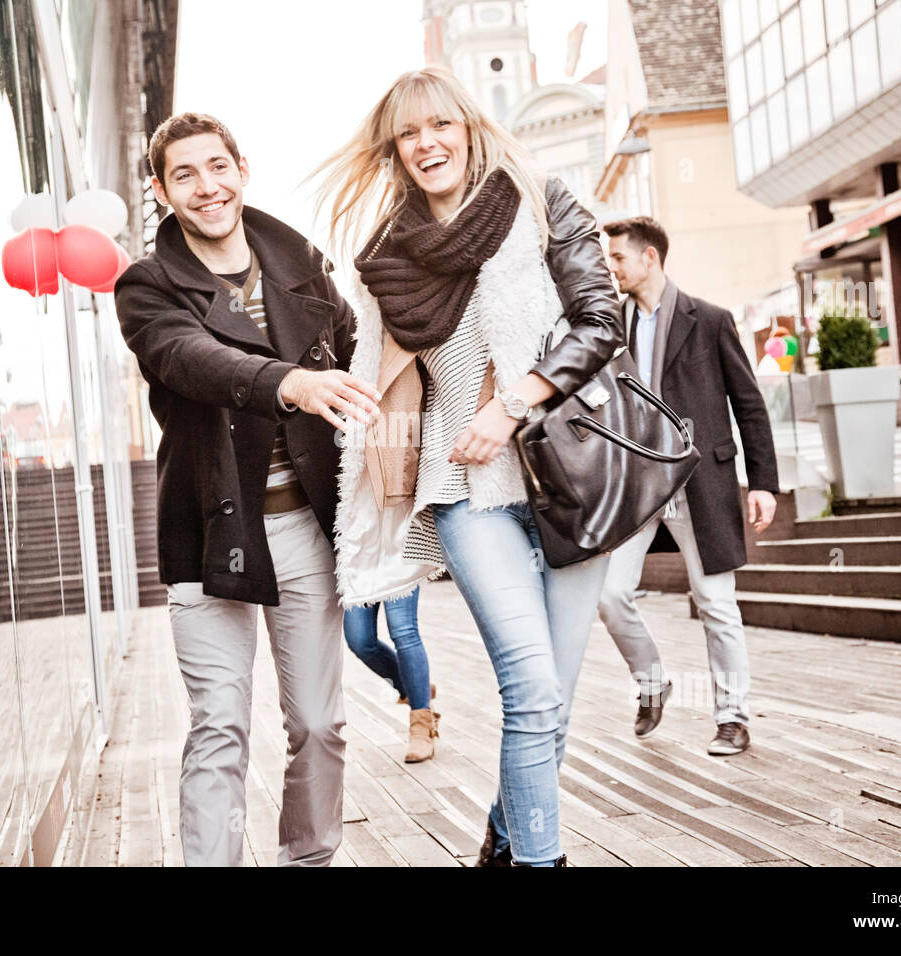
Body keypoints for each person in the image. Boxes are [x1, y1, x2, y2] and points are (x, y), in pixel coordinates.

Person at [314, 67, 624, 866]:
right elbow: (379, 373)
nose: (427, 144)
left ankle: (506, 833)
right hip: (463, 491)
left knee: (551, 703)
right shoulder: (385, 255)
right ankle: (539, 860)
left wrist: (515, 400)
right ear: (394, 151)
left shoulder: (545, 202)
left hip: (571, 480)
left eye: (441, 126)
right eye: (409, 134)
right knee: (529, 687)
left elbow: (601, 322)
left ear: (470, 128)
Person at [114, 112, 381, 867]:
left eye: (217, 167)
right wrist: (288, 382)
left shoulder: (302, 263)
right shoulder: (147, 285)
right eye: (185, 175)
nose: (207, 187)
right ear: (162, 190)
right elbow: (189, 358)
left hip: (303, 530)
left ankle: (310, 857)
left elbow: (364, 361)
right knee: (220, 726)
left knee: (320, 724)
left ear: (241, 170)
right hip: (209, 535)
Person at [597, 216, 779, 756]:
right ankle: (653, 682)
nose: (612, 268)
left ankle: (733, 717)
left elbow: (749, 405)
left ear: (649, 258)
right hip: (640, 485)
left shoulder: (712, 320)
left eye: (619, 258)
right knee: (609, 594)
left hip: (703, 482)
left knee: (716, 602)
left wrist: (763, 482)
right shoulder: (611, 326)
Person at [341, 586, 439, 762]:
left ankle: (422, 727)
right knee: (360, 641)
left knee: (403, 631)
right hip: (357, 564)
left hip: (396, 561)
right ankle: (417, 690)